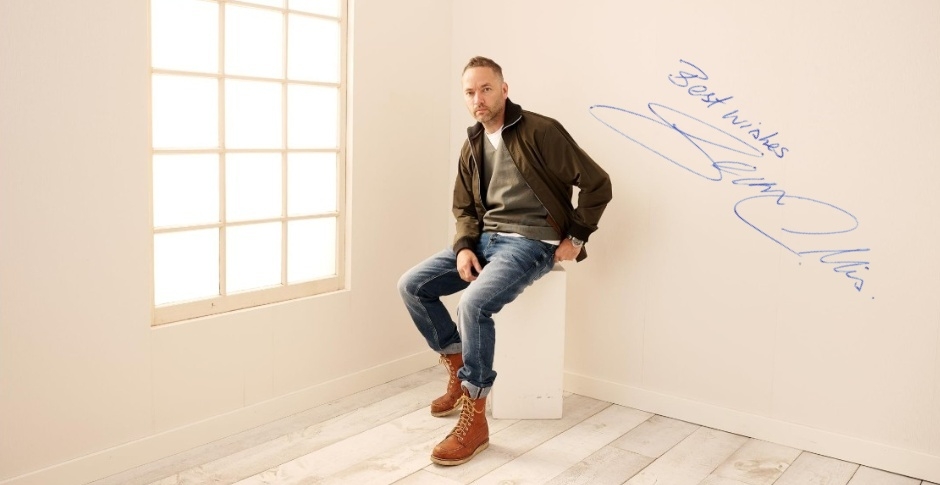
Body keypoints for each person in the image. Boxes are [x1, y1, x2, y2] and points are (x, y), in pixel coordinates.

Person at [398, 56, 612, 466]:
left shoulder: (541, 131)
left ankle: (475, 418)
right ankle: (457, 366)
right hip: (484, 241)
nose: (478, 99)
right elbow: (464, 208)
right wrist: (464, 246)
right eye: (470, 92)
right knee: (412, 285)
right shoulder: (472, 145)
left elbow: (597, 183)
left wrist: (576, 237)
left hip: (530, 242)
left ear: (504, 89)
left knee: (473, 304)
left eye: (486, 89)